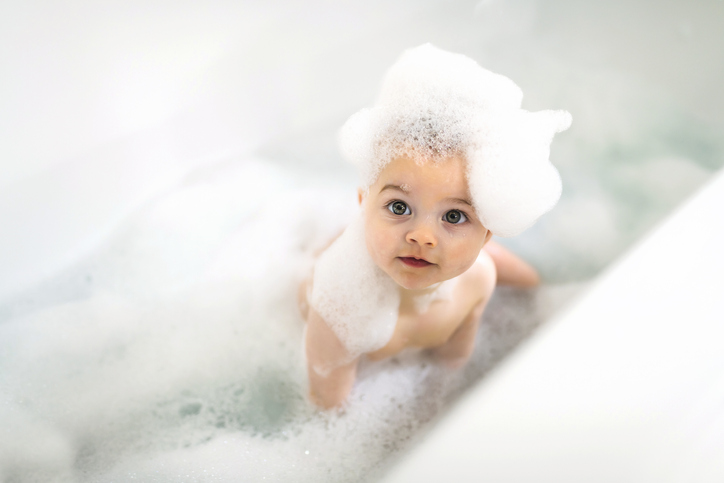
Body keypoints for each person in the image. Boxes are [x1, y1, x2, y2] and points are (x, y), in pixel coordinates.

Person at [300, 44, 571, 408]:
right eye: (398, 206)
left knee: (528, 284)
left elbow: (454, 359)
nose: (421, 236)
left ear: (488, 231)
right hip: (325, 271)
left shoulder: (478, 278)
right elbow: (325, 402)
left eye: (454, 215)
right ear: (364, 205)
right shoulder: (338, 306)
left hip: (462, 262)